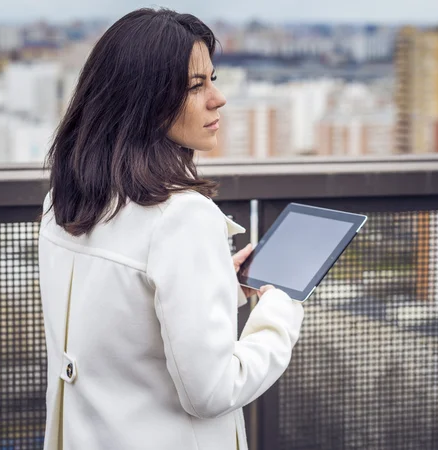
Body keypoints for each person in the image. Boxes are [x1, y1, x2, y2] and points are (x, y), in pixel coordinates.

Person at [38, 7, 304, 450]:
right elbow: (212, 392)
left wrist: (222, 287)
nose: (217, 99)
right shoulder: (181, 218)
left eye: (212, 80)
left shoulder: (63, 200)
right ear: (144, 99)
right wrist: (280, 312)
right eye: (195, 86)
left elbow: (116, 328)